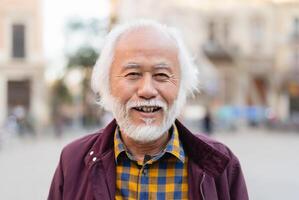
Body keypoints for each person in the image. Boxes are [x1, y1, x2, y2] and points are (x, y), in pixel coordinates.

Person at [48, 20, 248, 200]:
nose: (147, 90)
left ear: (181, 86)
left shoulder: (222, 165)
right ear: (107, 84)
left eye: (161, 75)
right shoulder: (73, 161)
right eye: (133, 74)